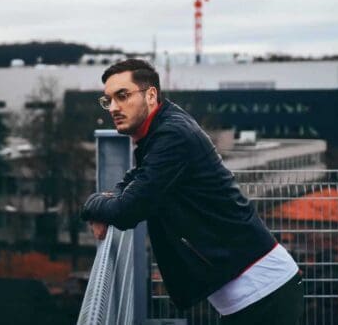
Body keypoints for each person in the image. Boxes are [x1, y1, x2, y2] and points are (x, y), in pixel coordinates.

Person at [81, 59, 303, 324]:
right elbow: (136, 179)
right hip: (251, 293)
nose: (114, 107)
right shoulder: (163, 128)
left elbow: (129, 210)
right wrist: (110, 201)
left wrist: (92, 204)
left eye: (123, 96)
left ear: (151, 95)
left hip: (264, 292)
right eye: (108, 100)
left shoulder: (172, 136)